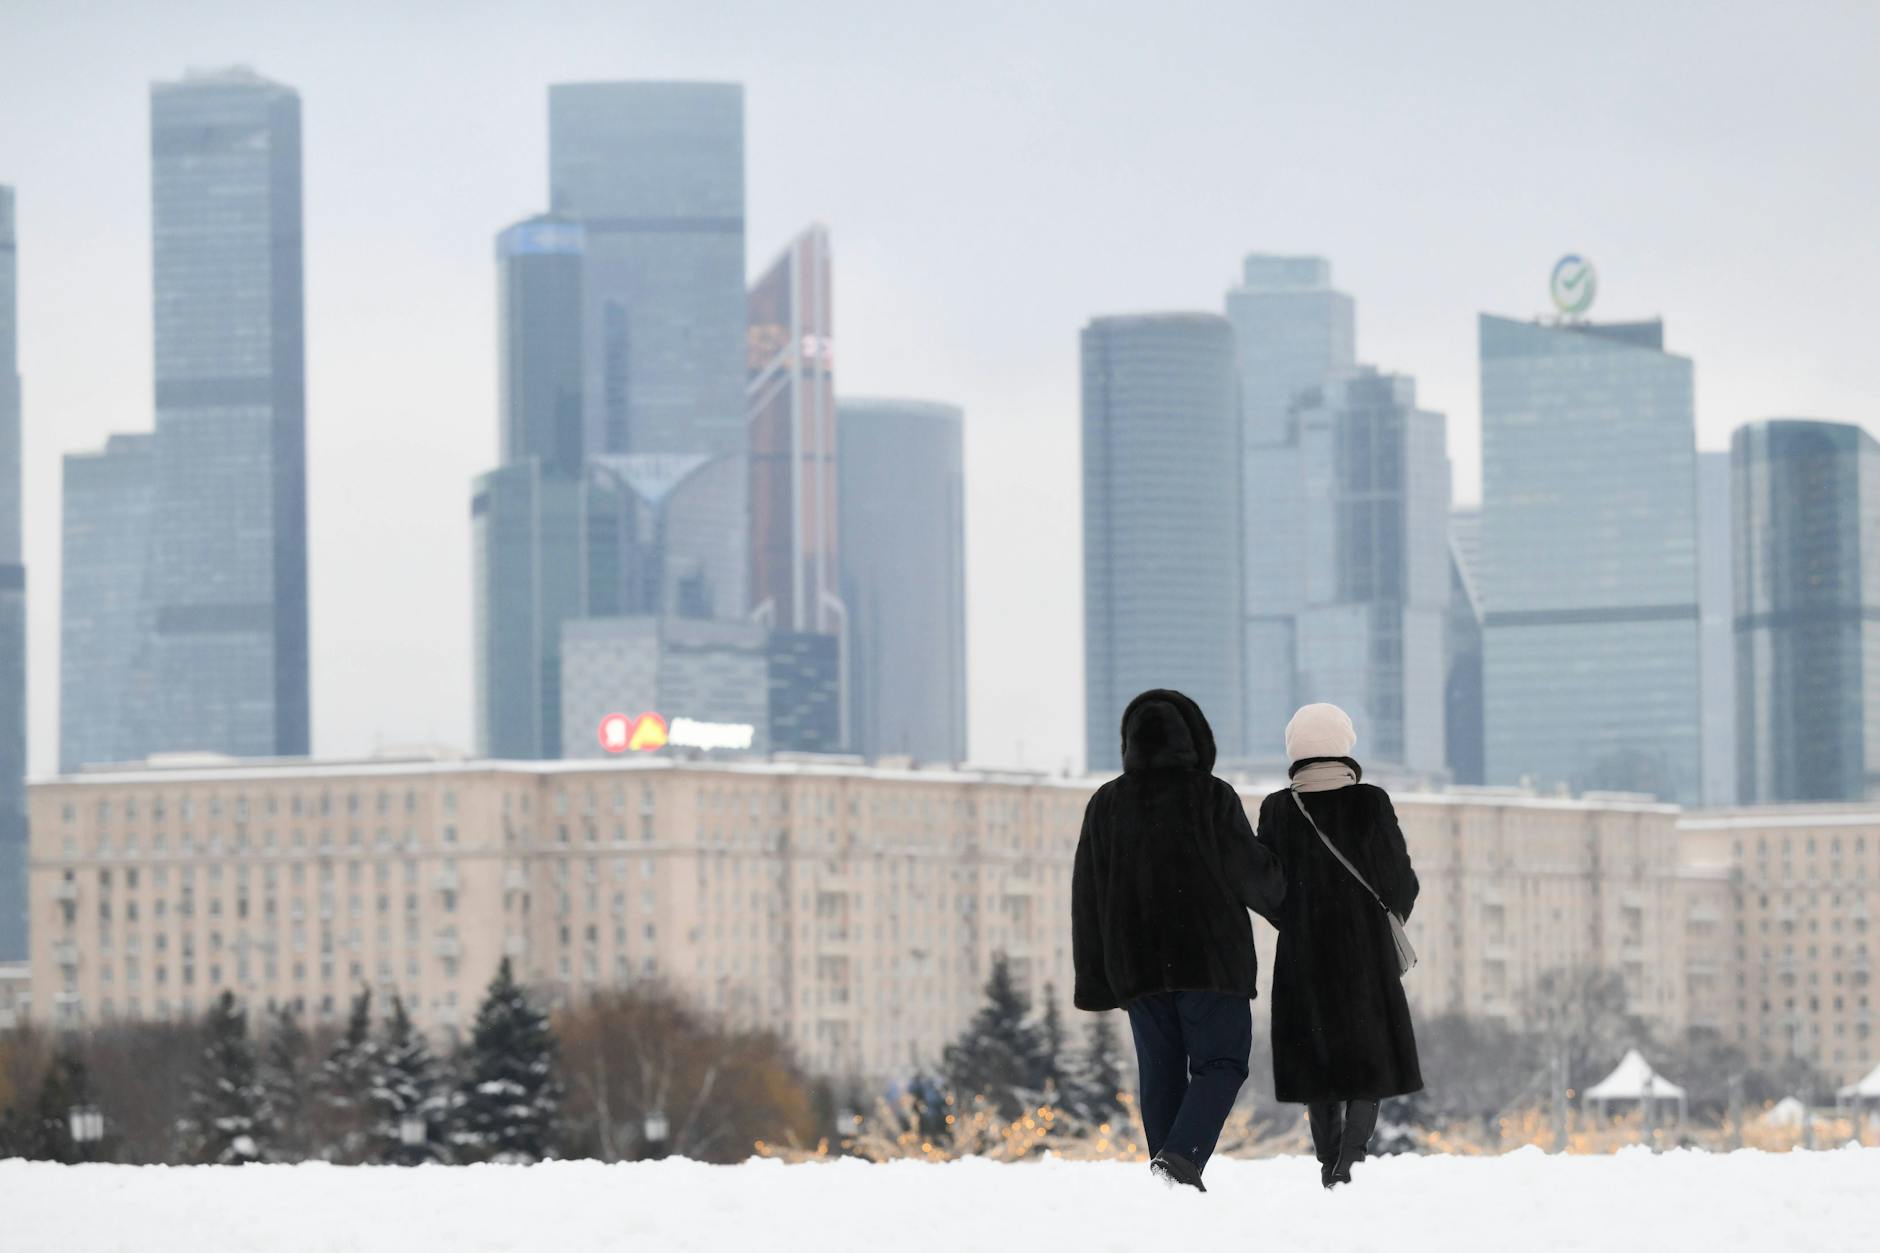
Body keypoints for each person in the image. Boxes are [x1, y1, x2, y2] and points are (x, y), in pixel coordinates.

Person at [1071, 689, 1286, 1191]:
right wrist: (1299, 916)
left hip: (1138, 971)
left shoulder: (1105, 804)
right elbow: (1252, 875)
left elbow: (1087, 897)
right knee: (1223, 1063)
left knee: (1161, 1073)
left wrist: (1097, 981)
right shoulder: (1210, 796)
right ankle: (1180, 1161)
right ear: (1194, 739)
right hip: (1209, 962)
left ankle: (1168, 1183)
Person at [1257, 703, 1423, 1189]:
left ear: (1295, 752)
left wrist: (1294, 921)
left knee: (1316, 1055)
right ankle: (1351, 1159)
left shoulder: (1276, 809)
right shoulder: (1371, 802)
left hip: (1301, 954)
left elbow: (1266, 885)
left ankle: (1328, 1162)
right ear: (1345, 746)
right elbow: (1400, 879)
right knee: (1368, 1055)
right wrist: (1379, 919)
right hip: (1364, 951)